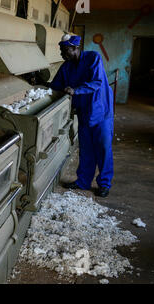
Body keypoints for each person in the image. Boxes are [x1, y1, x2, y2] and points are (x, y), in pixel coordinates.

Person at [49, 34, 114, 197]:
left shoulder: (93, 58)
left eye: (65, 50)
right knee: (86, 149)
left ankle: (104, 183)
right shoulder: (67, 67)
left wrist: (76, 90)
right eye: (61, 50)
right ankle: (83, 181)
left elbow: (97, 82)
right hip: (84, 112)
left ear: (75, 48)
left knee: (103, 148)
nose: (62, 54)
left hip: (101, 111)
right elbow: (56, 85)